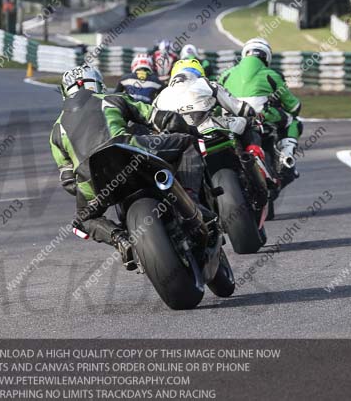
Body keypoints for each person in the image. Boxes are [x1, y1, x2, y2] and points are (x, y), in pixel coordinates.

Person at [49, 65, 208, 268]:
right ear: (98, 83)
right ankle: (191, 200)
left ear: (65, 92)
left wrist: (88, 186)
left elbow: (69, 182)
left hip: (91, 177)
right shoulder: (112, 99)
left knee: (82, 221)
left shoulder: (56, 130)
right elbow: (160, 117)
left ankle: (120, 239)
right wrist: (188, 129)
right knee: (186, 143)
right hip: (128, 150)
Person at [217, 38, 303, 183]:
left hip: (229, 120)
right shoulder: (272, 75)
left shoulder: (225, 75)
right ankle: (286, 156)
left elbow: (216, 101)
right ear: (267, 57)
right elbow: (294, 107)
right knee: (293, 121)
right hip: (260, 117)